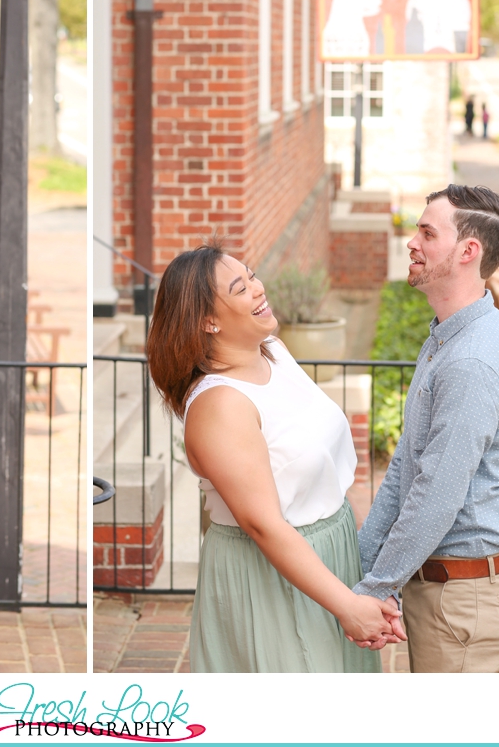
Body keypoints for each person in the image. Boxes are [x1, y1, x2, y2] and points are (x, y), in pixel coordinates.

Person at [146, 240, 403, 672]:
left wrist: (362, 577)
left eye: (251, 275)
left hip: (331, 553)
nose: (258, 288)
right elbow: (263, 524)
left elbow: (323, 465)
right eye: (240, 288)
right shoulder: (220, 405)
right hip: (269, 571)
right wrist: (346, 605)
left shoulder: (275, 354)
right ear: (208, 321)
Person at [353, 184, 499, 673]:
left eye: (428, 233)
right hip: (448, 592)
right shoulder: (447, 339)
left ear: (467, 251)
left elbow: (435, 495)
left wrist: (373, 588)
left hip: (465, 599)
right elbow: (408, 469)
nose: (412, 242)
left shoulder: (471, 360)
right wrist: (362, 571)